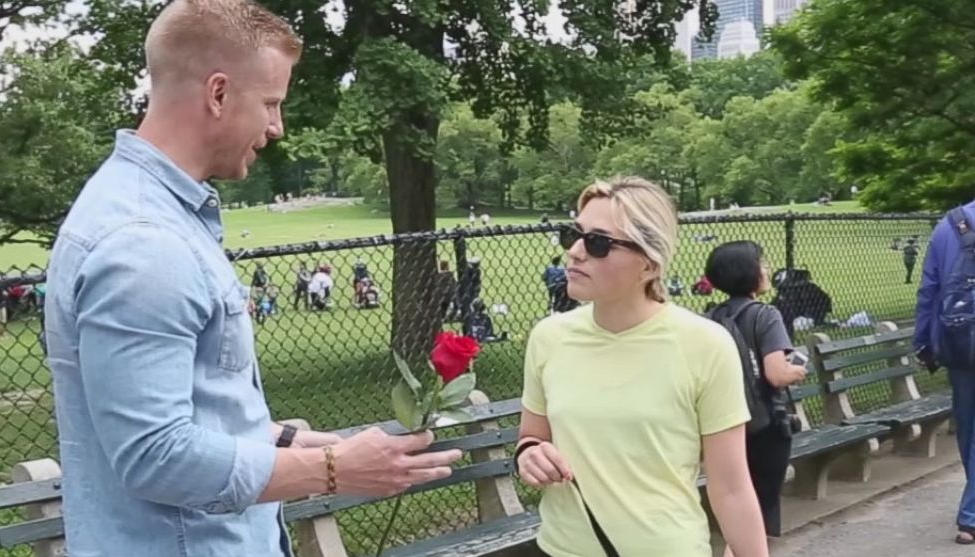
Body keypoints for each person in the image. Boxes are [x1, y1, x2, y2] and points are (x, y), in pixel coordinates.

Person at [41, 2, 461, 556]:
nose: (275, 127)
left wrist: (283, 441)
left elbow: (173, 410)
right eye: (270, 103)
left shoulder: (153, 215)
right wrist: (333, 469)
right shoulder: (146, 244)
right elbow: (155, 457)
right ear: (218, 93)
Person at [516, 176, 768, 557]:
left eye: (599, 243)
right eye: (574, 234)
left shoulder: (705, 345)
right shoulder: (548, 337)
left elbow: (730, 487)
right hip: (560, 549)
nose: (576, 252)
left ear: (649, 265)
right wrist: (529, 455)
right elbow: (532, 436)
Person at [705, 241, 808, 554]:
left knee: (733, 510)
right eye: (762, 263)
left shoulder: (711, 317)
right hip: (766, 426)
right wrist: (800, 369)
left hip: (725, 424)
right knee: (758, 512)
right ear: (748, 272)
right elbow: (776, 373)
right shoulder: (766, 315)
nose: (766, 269)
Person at [915, 201, 975, 545]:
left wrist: (924, 341)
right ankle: (970, 516)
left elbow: (930, 290)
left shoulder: (949, 225)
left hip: (959, 341)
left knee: (967, 427)